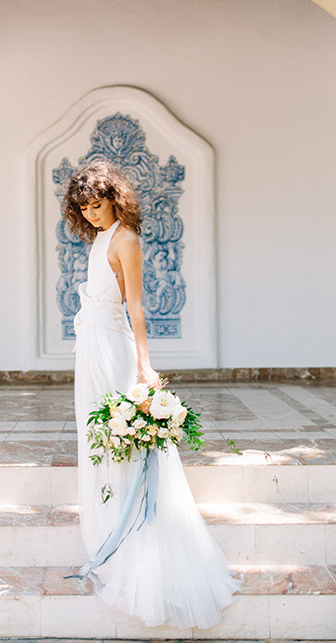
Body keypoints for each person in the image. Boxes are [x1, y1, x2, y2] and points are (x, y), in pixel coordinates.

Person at [63, 159, 238, 629]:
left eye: (97, 205)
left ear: (114, 199)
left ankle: (133, 530)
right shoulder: (100, 237)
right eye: (84, 208)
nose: (92, 214)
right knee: (96, 435)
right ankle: (109, 522)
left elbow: (135, 307)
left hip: (113, 346)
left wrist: (143, 364)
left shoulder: (126, 239)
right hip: (92, 343)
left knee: (120, 437)